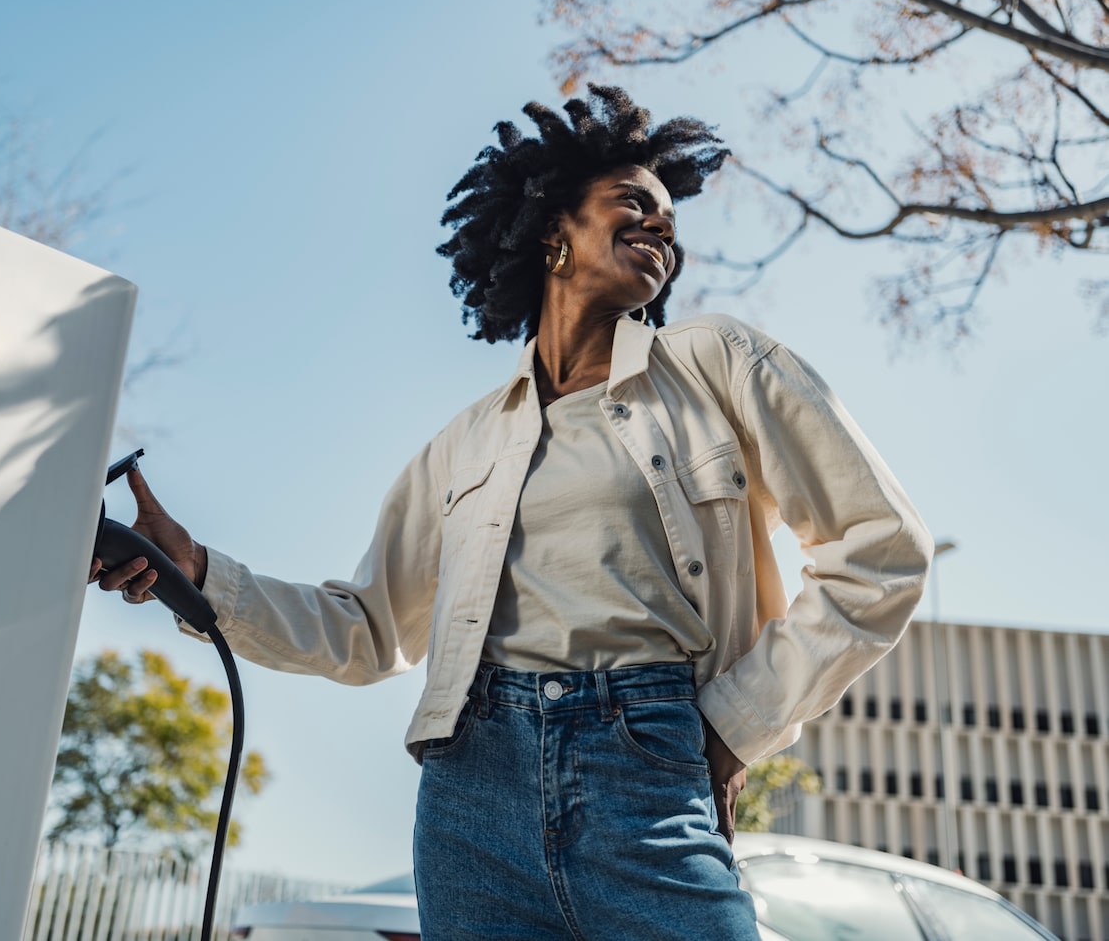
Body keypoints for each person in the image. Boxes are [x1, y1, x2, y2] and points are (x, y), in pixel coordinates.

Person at [91, 85, 932, 940]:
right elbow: (367, 627)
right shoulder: (463, 447)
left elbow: (882, 551)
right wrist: (195, 571)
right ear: (551, 228)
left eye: (672, 220)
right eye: (635, 202)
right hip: (472, 794)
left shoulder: (716, 363)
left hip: (647, 764)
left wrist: (732, 725)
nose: (663, 228)